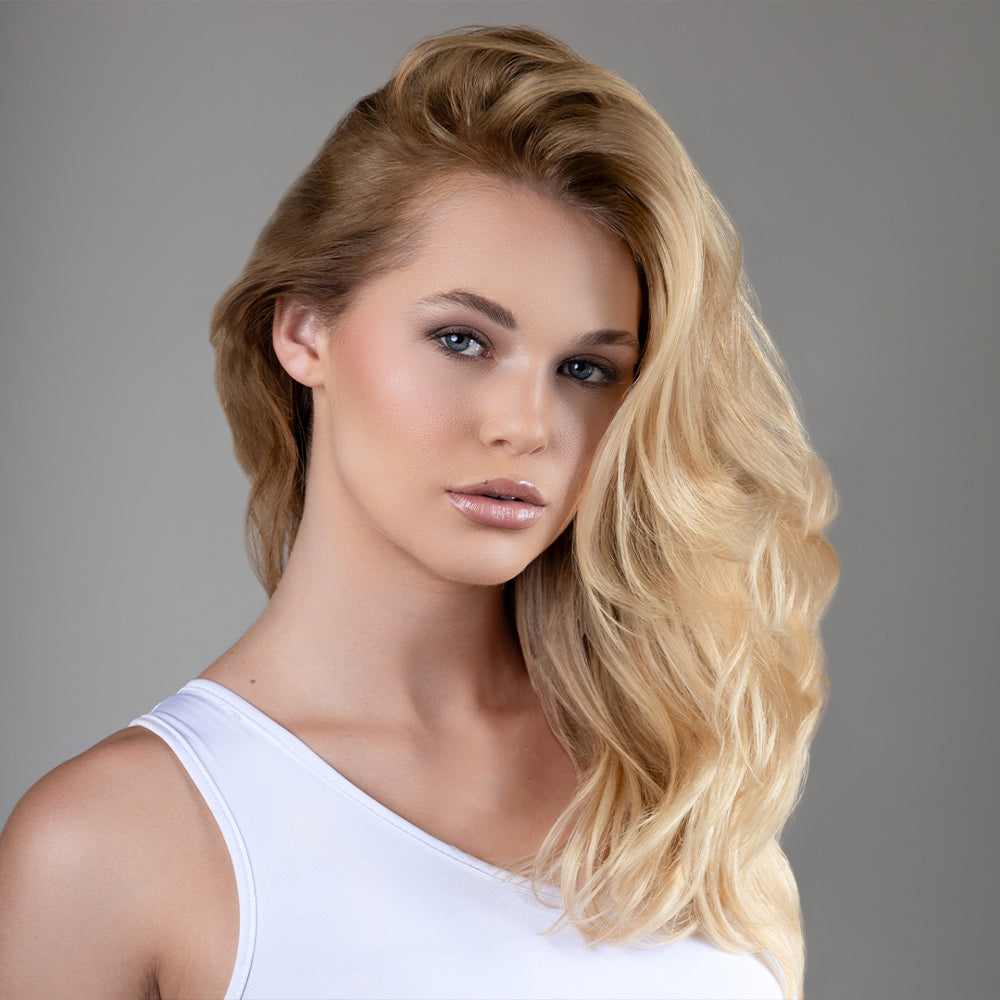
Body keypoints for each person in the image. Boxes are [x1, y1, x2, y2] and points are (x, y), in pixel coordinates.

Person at [0, 25, 837, 1000]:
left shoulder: (673, 778)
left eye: (585, 369)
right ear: (305, 329)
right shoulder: (112, 847)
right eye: (462, 339)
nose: (527, 425)